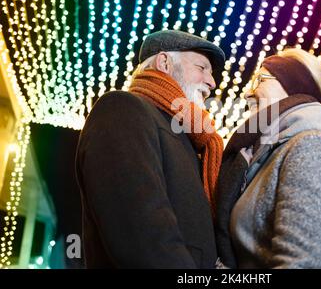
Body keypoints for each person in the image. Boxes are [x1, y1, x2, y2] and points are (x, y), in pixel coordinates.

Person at [75, 30, 225, 268]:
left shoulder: (192, 141)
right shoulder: (122, 110)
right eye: (202, 68)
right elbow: (144, 236)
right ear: (164, 62)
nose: (212, 82)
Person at [215, 47, 321, 268]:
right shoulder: (265, 156)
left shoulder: (311, 149)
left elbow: (305, 263)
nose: (248, 93)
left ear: (294, 87)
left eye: (261, 79)